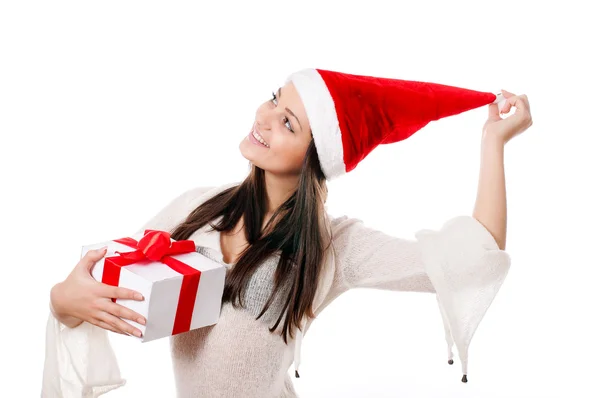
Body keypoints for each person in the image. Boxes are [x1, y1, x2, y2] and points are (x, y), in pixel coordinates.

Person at [43, 68, 533, 397]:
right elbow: (101, 286)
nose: (264, 118)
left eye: (288, 122)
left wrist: (493, 143)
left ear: (315, 157)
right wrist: (64, 299)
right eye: (275, 99)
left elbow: (476, 256)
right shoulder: (197, 209)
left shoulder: (334, 246)